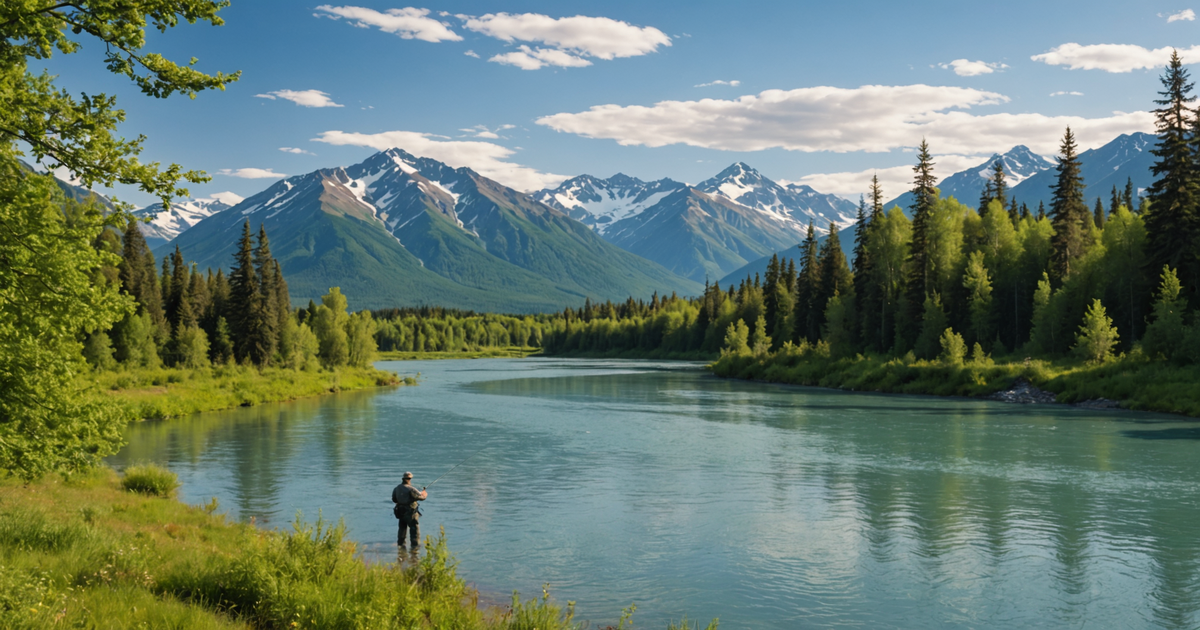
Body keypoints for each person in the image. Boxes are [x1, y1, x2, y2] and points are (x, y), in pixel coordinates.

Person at [392, 471, 428, 548]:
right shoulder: (411, 489)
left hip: (400, 512)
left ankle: (401, 546)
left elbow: (394, 499)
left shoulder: (396, 488)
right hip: (411, 513)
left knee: (402, 529)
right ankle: (415, 548)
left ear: (402, 478)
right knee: (414, 529)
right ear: (410, 479)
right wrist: (424, 493)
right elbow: (422, 498)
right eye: (409, 479)